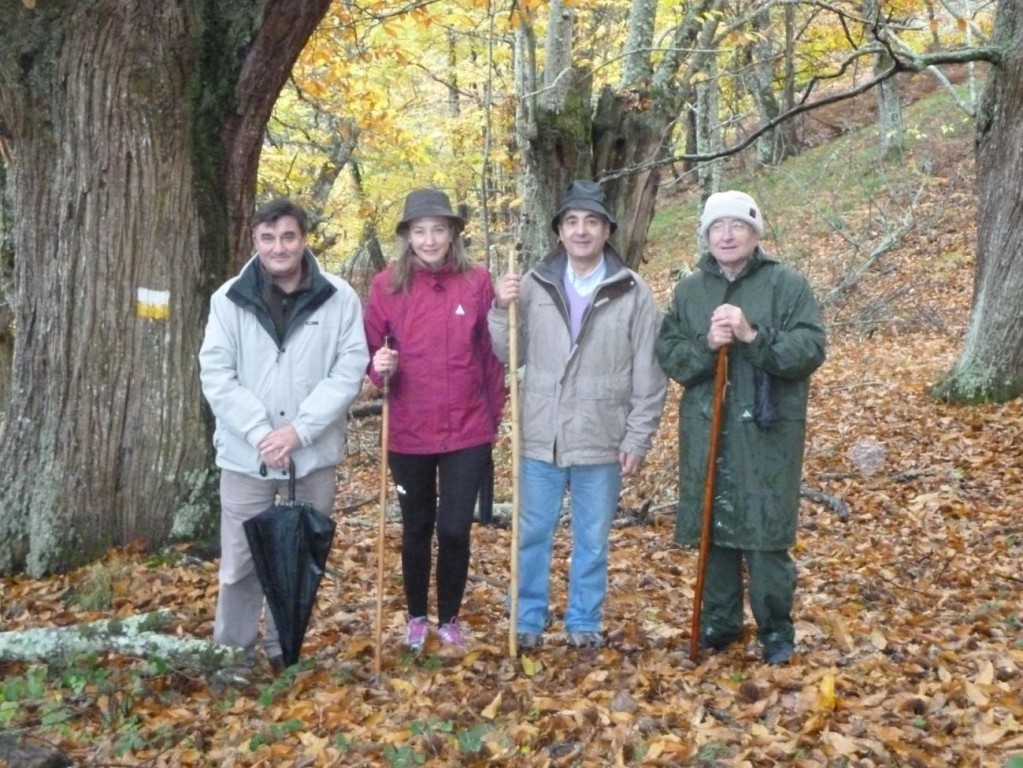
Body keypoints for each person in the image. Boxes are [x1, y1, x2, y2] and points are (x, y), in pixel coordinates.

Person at [489, 179, 666, 650]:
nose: (581, 231)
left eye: (591, 222)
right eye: (572, 222)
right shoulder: (532, 283)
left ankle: (583, 620)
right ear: (560, 232)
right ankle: (527, 618)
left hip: (602, 435)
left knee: (592, 538)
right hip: (541, 433)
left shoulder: (633, 292)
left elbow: (650, 371)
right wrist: (500, 308)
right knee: (532, 533)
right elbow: (509, 353)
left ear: (607, 230)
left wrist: (638, 436)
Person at [654, 190, 826, 665]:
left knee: (766, 532)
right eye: (717, 228)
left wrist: (752, 337)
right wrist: (708, 344)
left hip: (768, 431)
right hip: (707, 425)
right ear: (706, 236)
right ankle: (721, 622)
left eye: (738, 226)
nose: (727, 235)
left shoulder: (786, 285)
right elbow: (671, 356)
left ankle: (775, 629)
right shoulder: (690, 291)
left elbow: (810, 349)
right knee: (714, 525)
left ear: (756, 233)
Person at [199, 198, 369, 672]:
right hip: (244, 456)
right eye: (269, 238)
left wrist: (299, 430)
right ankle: (231, 658)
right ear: (255, 240)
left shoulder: (339, 298)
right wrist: (259, 431)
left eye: (288, 237)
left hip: (311, 457)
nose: (279, 247)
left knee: (299, 559)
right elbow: (216, 374)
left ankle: (285, 651)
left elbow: (349, 368)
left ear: (304, 238)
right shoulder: (228, 298)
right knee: (240, 564)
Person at [364, 188, 506, 652]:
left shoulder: (477, 281)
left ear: (452, 234)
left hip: (467, 428)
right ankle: (416, 617)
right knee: (417, 525)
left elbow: (492, 357)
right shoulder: (386, 285)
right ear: (407, 236)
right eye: (420, 231)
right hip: (408, 428)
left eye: (438, 230)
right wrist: (377, 369)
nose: (429, 240)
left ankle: (449, 617)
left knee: (454, 528)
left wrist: (493, 418)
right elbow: (369, 353)